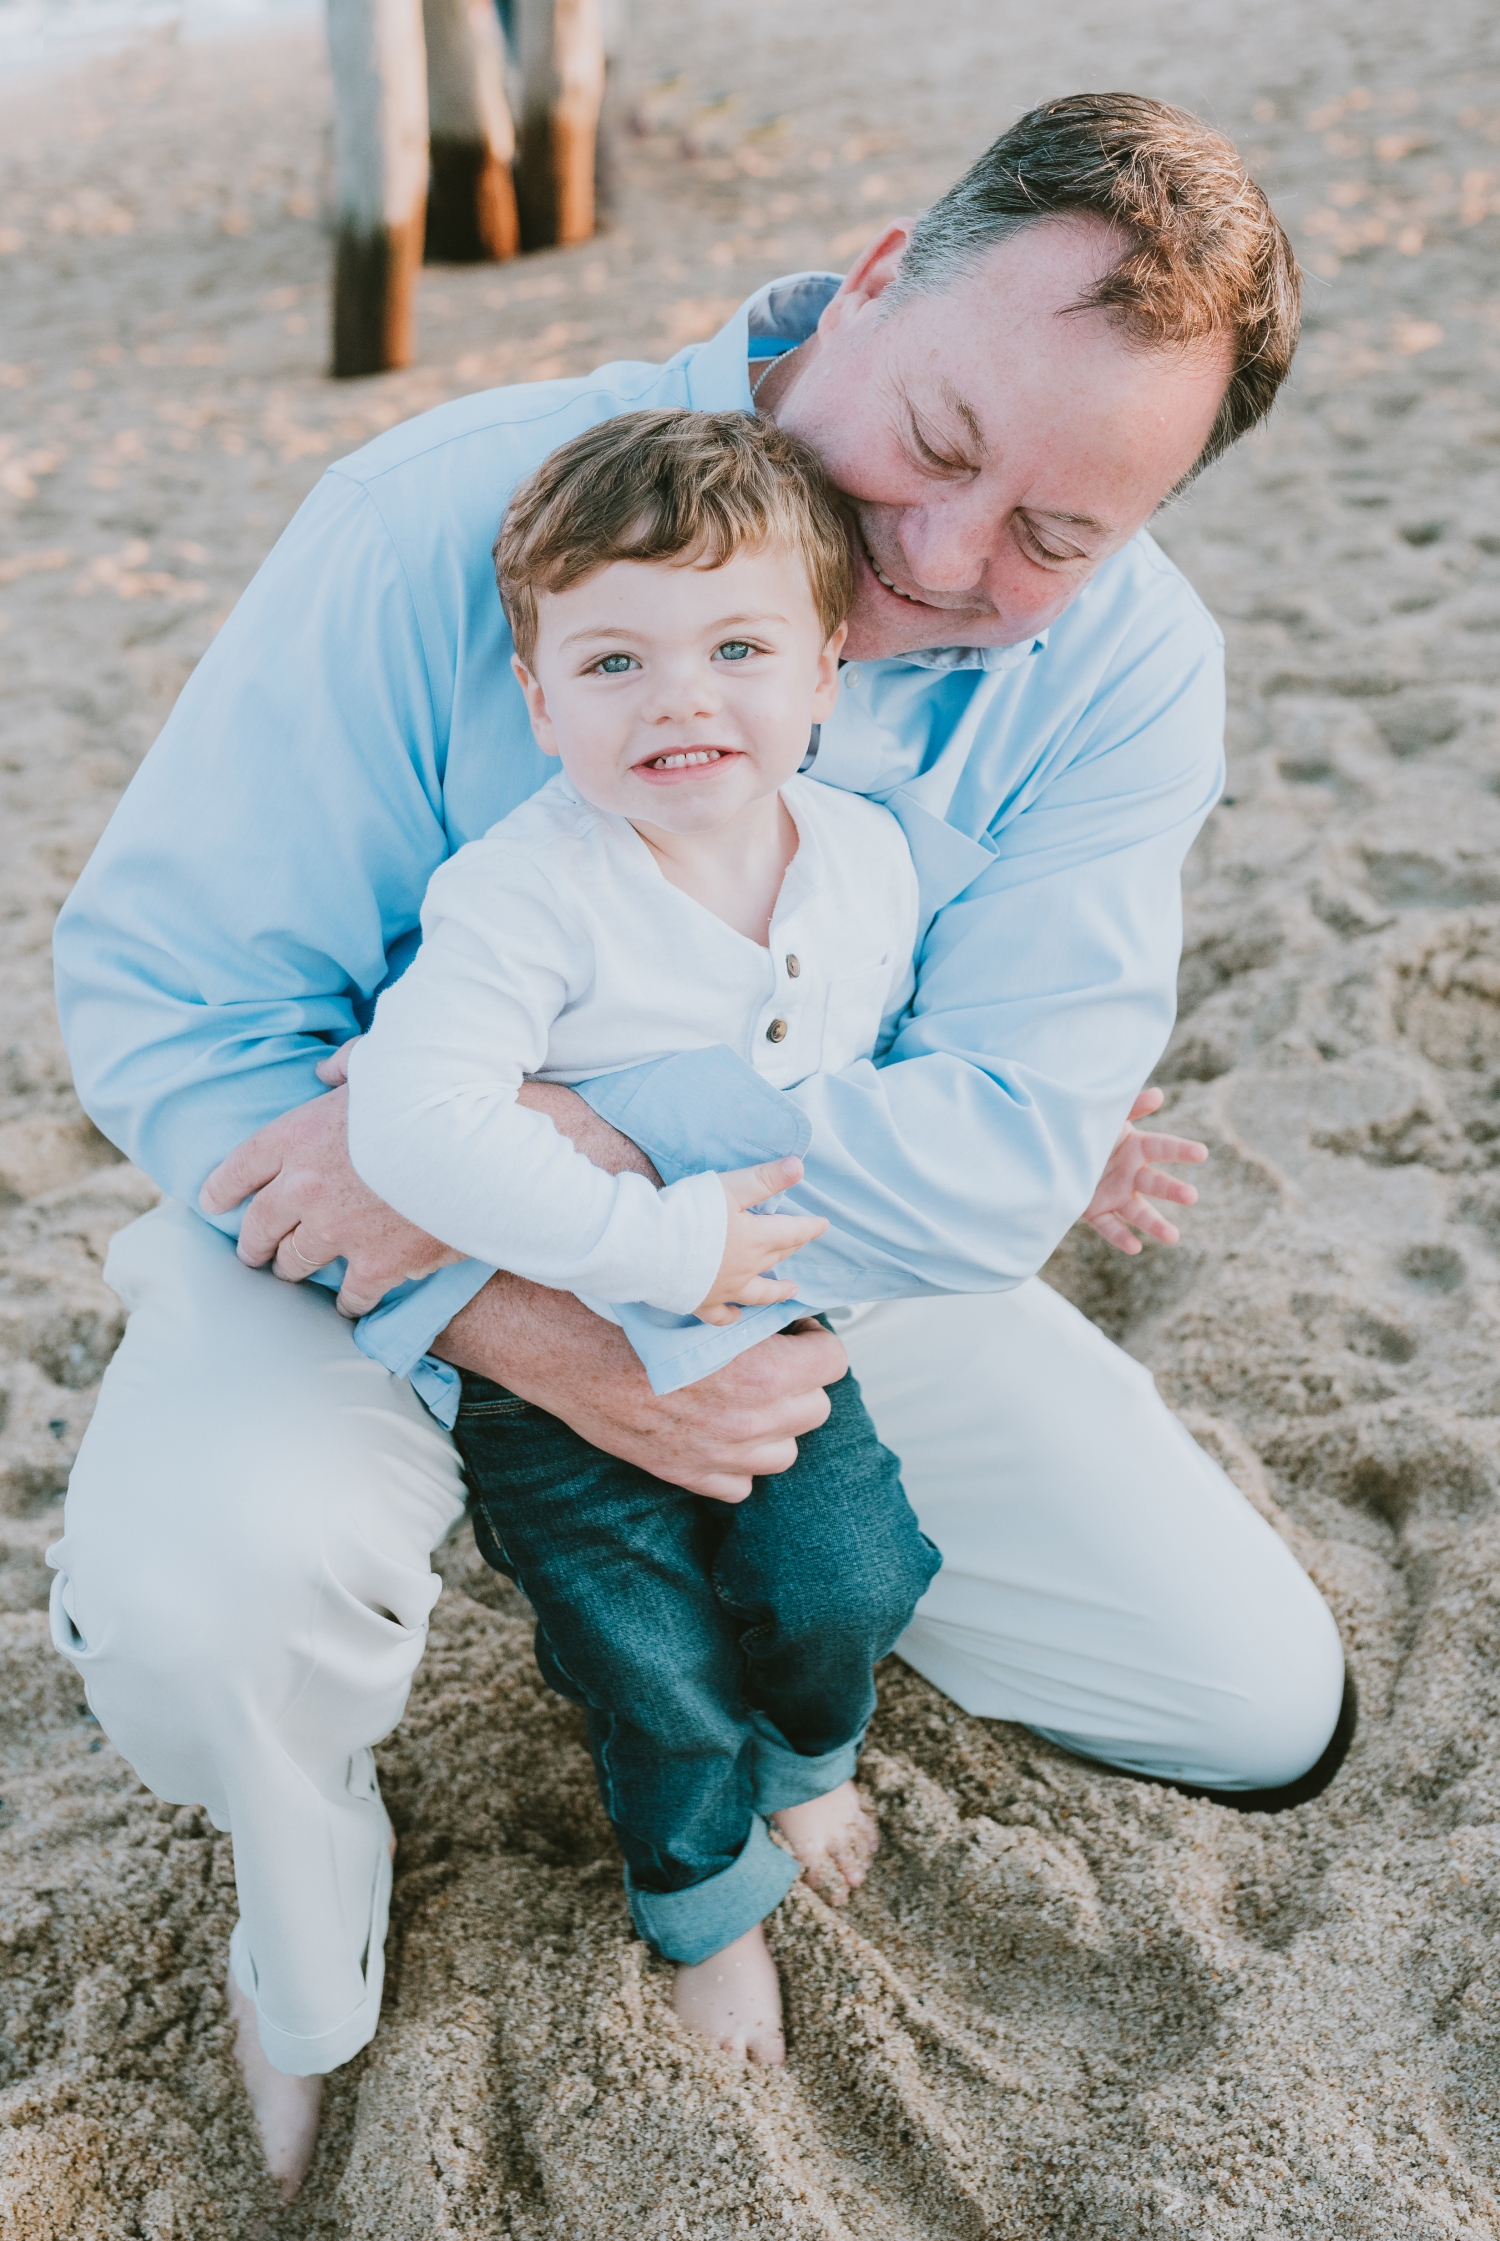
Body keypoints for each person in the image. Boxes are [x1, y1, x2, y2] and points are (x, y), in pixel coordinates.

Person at [47, 94, 1347, 2201]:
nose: (943, 561)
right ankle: (324, 1886)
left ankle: (781, 1647)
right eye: (935, 443)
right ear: (865, 281)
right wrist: (494, 1271)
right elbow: (169, 1001)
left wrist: (523, 1139)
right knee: (213, 1619)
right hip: (340, 1247)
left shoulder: (1130, 670)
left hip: (783, 1253)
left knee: (1261, 1702)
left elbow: (1011, 1157)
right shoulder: (429, 519)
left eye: (1055, 533)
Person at [342, 404, 942, 2062]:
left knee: (851, 1578)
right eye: (612, 663)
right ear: (538, 701)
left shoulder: (870, 864)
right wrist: (652, 1245)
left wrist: (1085, 1152)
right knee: (651, 1660)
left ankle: (812, 1757)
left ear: (828, 668)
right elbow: (410, 1121)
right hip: (553, 1361)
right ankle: (702, 1897)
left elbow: (905, 1051)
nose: (681, 696)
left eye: (737, 645)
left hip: (776, 1327)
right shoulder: (526, 890)